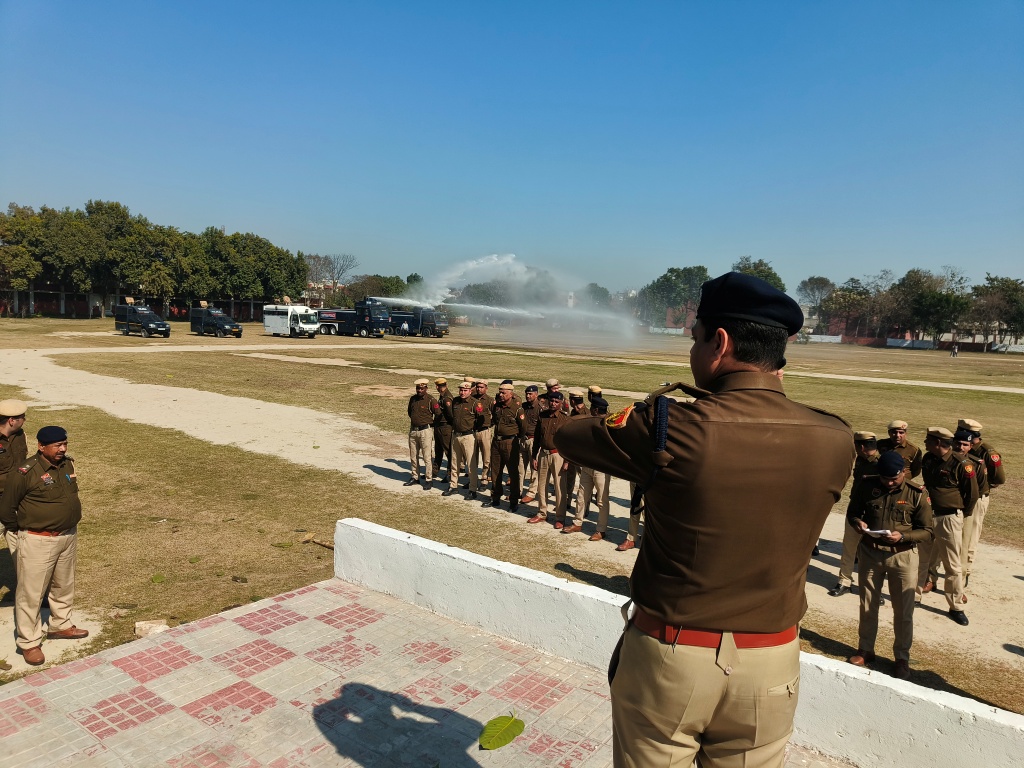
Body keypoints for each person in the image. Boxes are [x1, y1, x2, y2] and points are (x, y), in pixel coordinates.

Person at [555, 271, 853, 768]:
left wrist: (653, 408)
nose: (691, 351)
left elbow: (567, 434)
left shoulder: (671, 429)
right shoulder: (835, 437)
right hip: (773, 659)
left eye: (694, 339)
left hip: (673, 656)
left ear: (719, 342)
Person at [0, 426, 89, 666]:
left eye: (64, 444)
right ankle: (29, 642)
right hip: (38, 539)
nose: (62, 449)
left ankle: (60, 624)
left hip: (67, 536)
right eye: (56, 445)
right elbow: (7, 508)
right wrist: (22, 531)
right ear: (41, 446)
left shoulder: (67, 465)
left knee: (64, 584)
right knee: (31, 593)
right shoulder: (24, 472)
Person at [846, 452, 933, 680]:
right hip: (870, 553)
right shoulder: (867, 486)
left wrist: (903, 537)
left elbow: (927, 530)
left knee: (903, 610)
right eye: (885, 479)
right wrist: (858, 523)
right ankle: (865, 649)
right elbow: (853, 512)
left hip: (902, 557)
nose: (889, 483)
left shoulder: (916, 494)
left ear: (903, 472)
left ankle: (901, 659)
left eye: (893, 478)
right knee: (867, 603)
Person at [918, 426, 978, 625]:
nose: (925, 443)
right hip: (927, 516)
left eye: (928, 440)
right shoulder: (928, 459)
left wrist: (960, 515)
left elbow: (972, 495)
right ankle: (914, 595)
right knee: (922, 558)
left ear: (937, 443)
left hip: (949, 518)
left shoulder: (962, 464)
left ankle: (955, 606)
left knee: (952, 564)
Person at [828, 432, 880, 598]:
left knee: (874, 553)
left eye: (856, 446)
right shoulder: (860, 460)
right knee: (849, 547)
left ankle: (873, 589)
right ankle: (844, 581)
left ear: (862, 447)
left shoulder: (881, 463)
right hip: (856, 508)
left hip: (875, 512)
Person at [960, 418, 1006, 591]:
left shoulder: (986, 452)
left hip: (978, 498)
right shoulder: (960, 447)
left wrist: (983, 485)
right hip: (961, 496)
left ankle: (967, 571)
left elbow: (1000, 478)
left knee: (971, 535)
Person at [527, 392, 570, 526]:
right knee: (542, 485)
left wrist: (567, 461)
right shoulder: (543, 416)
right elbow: (537, 438)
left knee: (559, 486)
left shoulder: (565, 419)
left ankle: (560, 518)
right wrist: (534, 456)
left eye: (556, 402)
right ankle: (542, 513)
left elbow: (569, 442)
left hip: (558, 455)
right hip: (543, 454)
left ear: (561, 403)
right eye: (551, 401)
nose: (553, 403)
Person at [1, 399, 29, 585]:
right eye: (21, 417)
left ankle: (31, 592)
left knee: (23, 549)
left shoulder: (21, 435)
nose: (24, 420)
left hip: (15, 500)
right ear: (11, 420)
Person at [576, 397, 611, 541]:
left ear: (596, 410)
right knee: (581, 495)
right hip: (588, 465)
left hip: (601, 467)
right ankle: (577, 522)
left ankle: (601, 530)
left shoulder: (609, 425)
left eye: (592, 408)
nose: (590, 410)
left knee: (602, 500)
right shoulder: (590, 422)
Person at [487, 383, 526, 511]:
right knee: (495, 471)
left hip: (510, 442)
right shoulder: (497, 406)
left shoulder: (517, 409)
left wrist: (515, 439)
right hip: (496, 441)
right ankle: (496, 497)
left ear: (511, 394)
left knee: (513, 472)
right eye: (500, 392)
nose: (501, 394)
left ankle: (514, 501)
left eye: (503, 392)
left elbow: (523, 428)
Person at [443, 382, 482, 497]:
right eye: (461, 390)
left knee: (471, 464)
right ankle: (453, 486)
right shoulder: (455, 401)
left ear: (470, 391)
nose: (462, 392)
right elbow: (451, 417)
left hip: (468, 436)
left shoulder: (475, 403)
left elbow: (480, 419)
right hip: (456, 435)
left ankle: (473, 489)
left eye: (465, 390)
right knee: (454, 463)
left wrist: (472, 429)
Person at [405, 379, 438, 488]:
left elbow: (438, 413)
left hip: (425, 431)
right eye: (418, 388)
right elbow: (410, 412)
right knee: (413, 456)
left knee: (427, 457)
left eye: (422, 388)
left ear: (426, 389)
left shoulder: (431, 400)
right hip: (413, 430)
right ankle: (415, 477)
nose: (419, 390)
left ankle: (429, 479)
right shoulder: (413, 399)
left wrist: (429, 424)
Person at [469, 380, 494, 494]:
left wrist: (488, 424)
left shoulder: (489, 400)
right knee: (472, 458)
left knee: (486, 458)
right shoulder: (471, 398)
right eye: (478, 387)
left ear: (486, 388)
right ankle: (472, 480)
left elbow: (496, 415)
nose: (479, 389)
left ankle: (484, 480)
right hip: (472, 431)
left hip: (484, 431)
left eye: (482, 387)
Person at [518, 385, 542, 503]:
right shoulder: (523, 407)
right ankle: (517, 491)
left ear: (536, 394)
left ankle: (531, 493)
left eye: (530, 394)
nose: (528, 396)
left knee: (534, 468)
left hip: (534, 441)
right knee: (520, 467)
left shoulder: (540, 409)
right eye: (526, 393)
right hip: (522, 439)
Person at [432, 378, 454, 482]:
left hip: (445, 427)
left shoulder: (447, 398)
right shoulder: (443, 396)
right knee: (438, 450)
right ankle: (434, 471)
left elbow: (450, 415)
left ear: (437, 386)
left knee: (448, 451)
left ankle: (450, 473)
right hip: (439, 426)